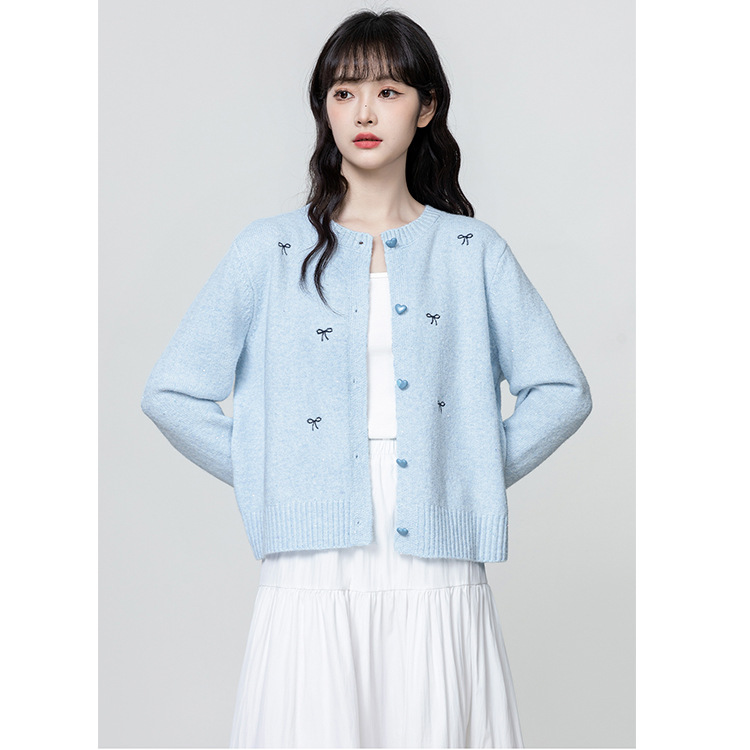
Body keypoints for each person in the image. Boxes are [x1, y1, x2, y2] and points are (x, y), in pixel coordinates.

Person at [141, 8, 592, 749]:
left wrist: (468, 467)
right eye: (344, 93)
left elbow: (562, 391)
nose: (364, 113)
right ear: (324, 109)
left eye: (388, 91)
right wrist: (273, 469)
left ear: (426, 108)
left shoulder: (472, 251)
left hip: (436, 543)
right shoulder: (268, 250)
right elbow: (172, 392)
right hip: (311, 548)